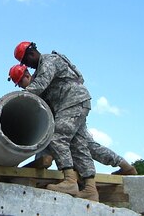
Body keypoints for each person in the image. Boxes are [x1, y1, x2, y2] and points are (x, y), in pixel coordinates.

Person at [8, 64, 138, 176]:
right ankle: (126, 166)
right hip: (68, 114)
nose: (21, 86)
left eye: (20, 82)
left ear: (26, 76)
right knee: (83, 145)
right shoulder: (38, 85)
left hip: (69, 112)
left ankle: (124, 167)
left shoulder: (40, 82)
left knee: (66, 141)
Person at [12, 41, 98, 201]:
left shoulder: (49, 61)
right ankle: (90, 189)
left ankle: (70, 181)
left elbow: (39, 86)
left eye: (25, 62)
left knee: (57, 136)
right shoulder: (40, 70)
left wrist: (15, 98)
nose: (27, 66)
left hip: (73, 100)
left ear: (31, 54)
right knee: (78, 144)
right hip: (73, 103)